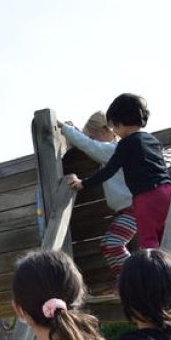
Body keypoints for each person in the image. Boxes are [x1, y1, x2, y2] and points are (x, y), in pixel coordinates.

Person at [67, 93, 171, 251]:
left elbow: (109, 170)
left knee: (149, 243)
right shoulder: (152, 140)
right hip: (168, 192)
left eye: (114, 126)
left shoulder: (124, 145)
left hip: (145, 197)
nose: (115, 132)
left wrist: (84, 183)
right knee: (169, 241)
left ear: (120, 122)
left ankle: (151, 273)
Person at [60, 111, 135, 277]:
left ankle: (134, 278)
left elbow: (89, 146)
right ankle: (124, 280)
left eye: (94, 137)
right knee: (107, 244)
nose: (93, 142)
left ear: (104, 132)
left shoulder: (113, 150)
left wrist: (64, 128)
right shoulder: (110, 154)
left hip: (134, 208)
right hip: (126, 209)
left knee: (114, 243)